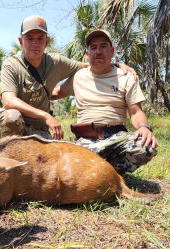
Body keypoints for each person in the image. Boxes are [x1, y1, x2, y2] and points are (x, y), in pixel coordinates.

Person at [0, 15, 136, 140]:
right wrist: (46, 116)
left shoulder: (56, 62)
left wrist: (116, 65)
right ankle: (10, 157)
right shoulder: (11, 64)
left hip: (40, 129)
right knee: (11, 117)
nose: (35, 43)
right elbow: (8, 100)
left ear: (47, 41)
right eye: (29, 38)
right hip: (17, 124)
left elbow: (89, 65)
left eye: (40, 38)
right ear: (21, 41)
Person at [54, 29, 158, 174]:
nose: (98, 51)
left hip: (117, 137)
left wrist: (144, 127)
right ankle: (102, 172)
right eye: (93, 47)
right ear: (87, 54)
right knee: (66, 165)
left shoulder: (126, 77)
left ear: (112, 51)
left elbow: (136, 111)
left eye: (103, 46)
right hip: (86, 138)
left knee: (146, 147)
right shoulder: (78, 76)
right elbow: (54, 93)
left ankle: (106, 173)